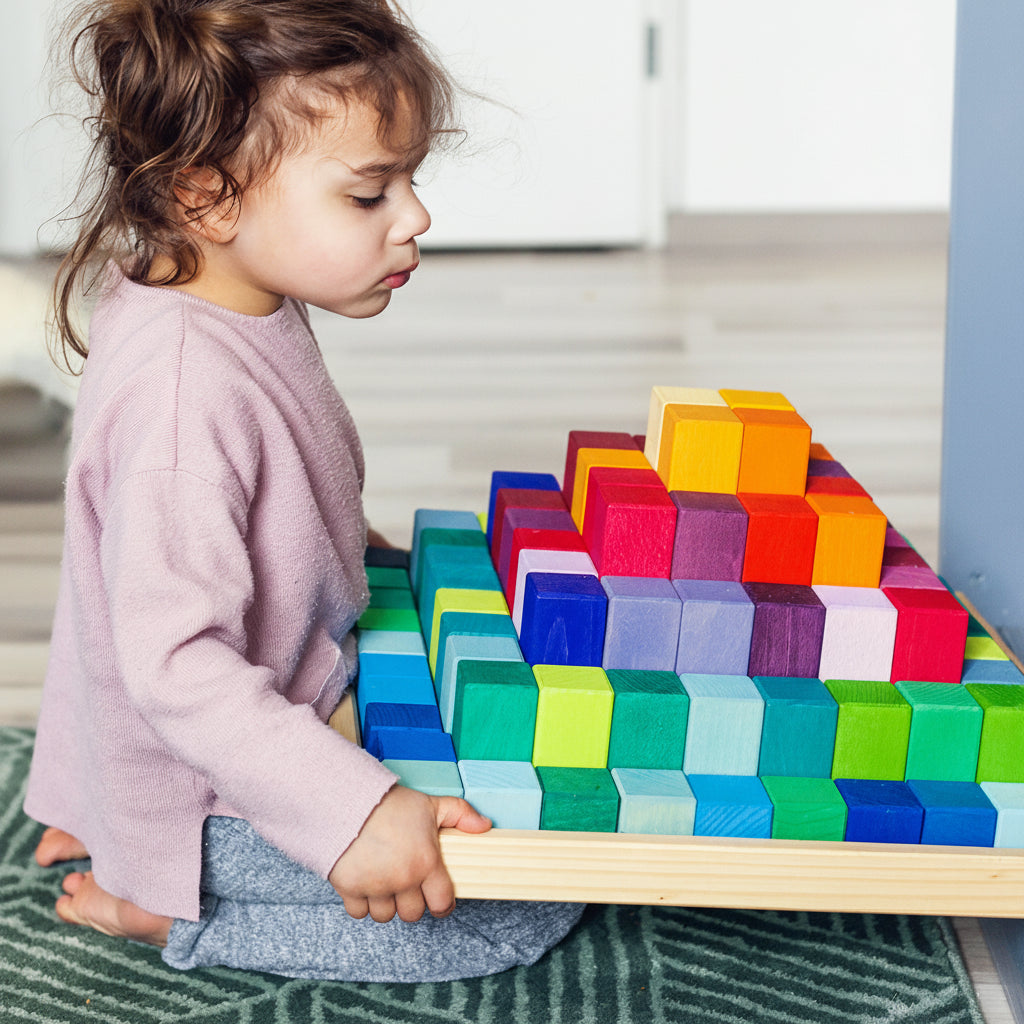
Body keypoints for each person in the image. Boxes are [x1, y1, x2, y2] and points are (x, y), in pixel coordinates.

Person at [24, 0, 583, 982]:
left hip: (262, 713)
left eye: (409, 182)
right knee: (517, 899)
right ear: (207, 196)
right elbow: (174, 663)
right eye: (370, 195)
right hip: (209, 793)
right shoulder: (182, 401)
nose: (415, 218)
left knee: (538, 782)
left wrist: (399, 569)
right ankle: (166, 910)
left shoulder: (220, 288)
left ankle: (116, 823)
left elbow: (266, 511)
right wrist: (354, 811)